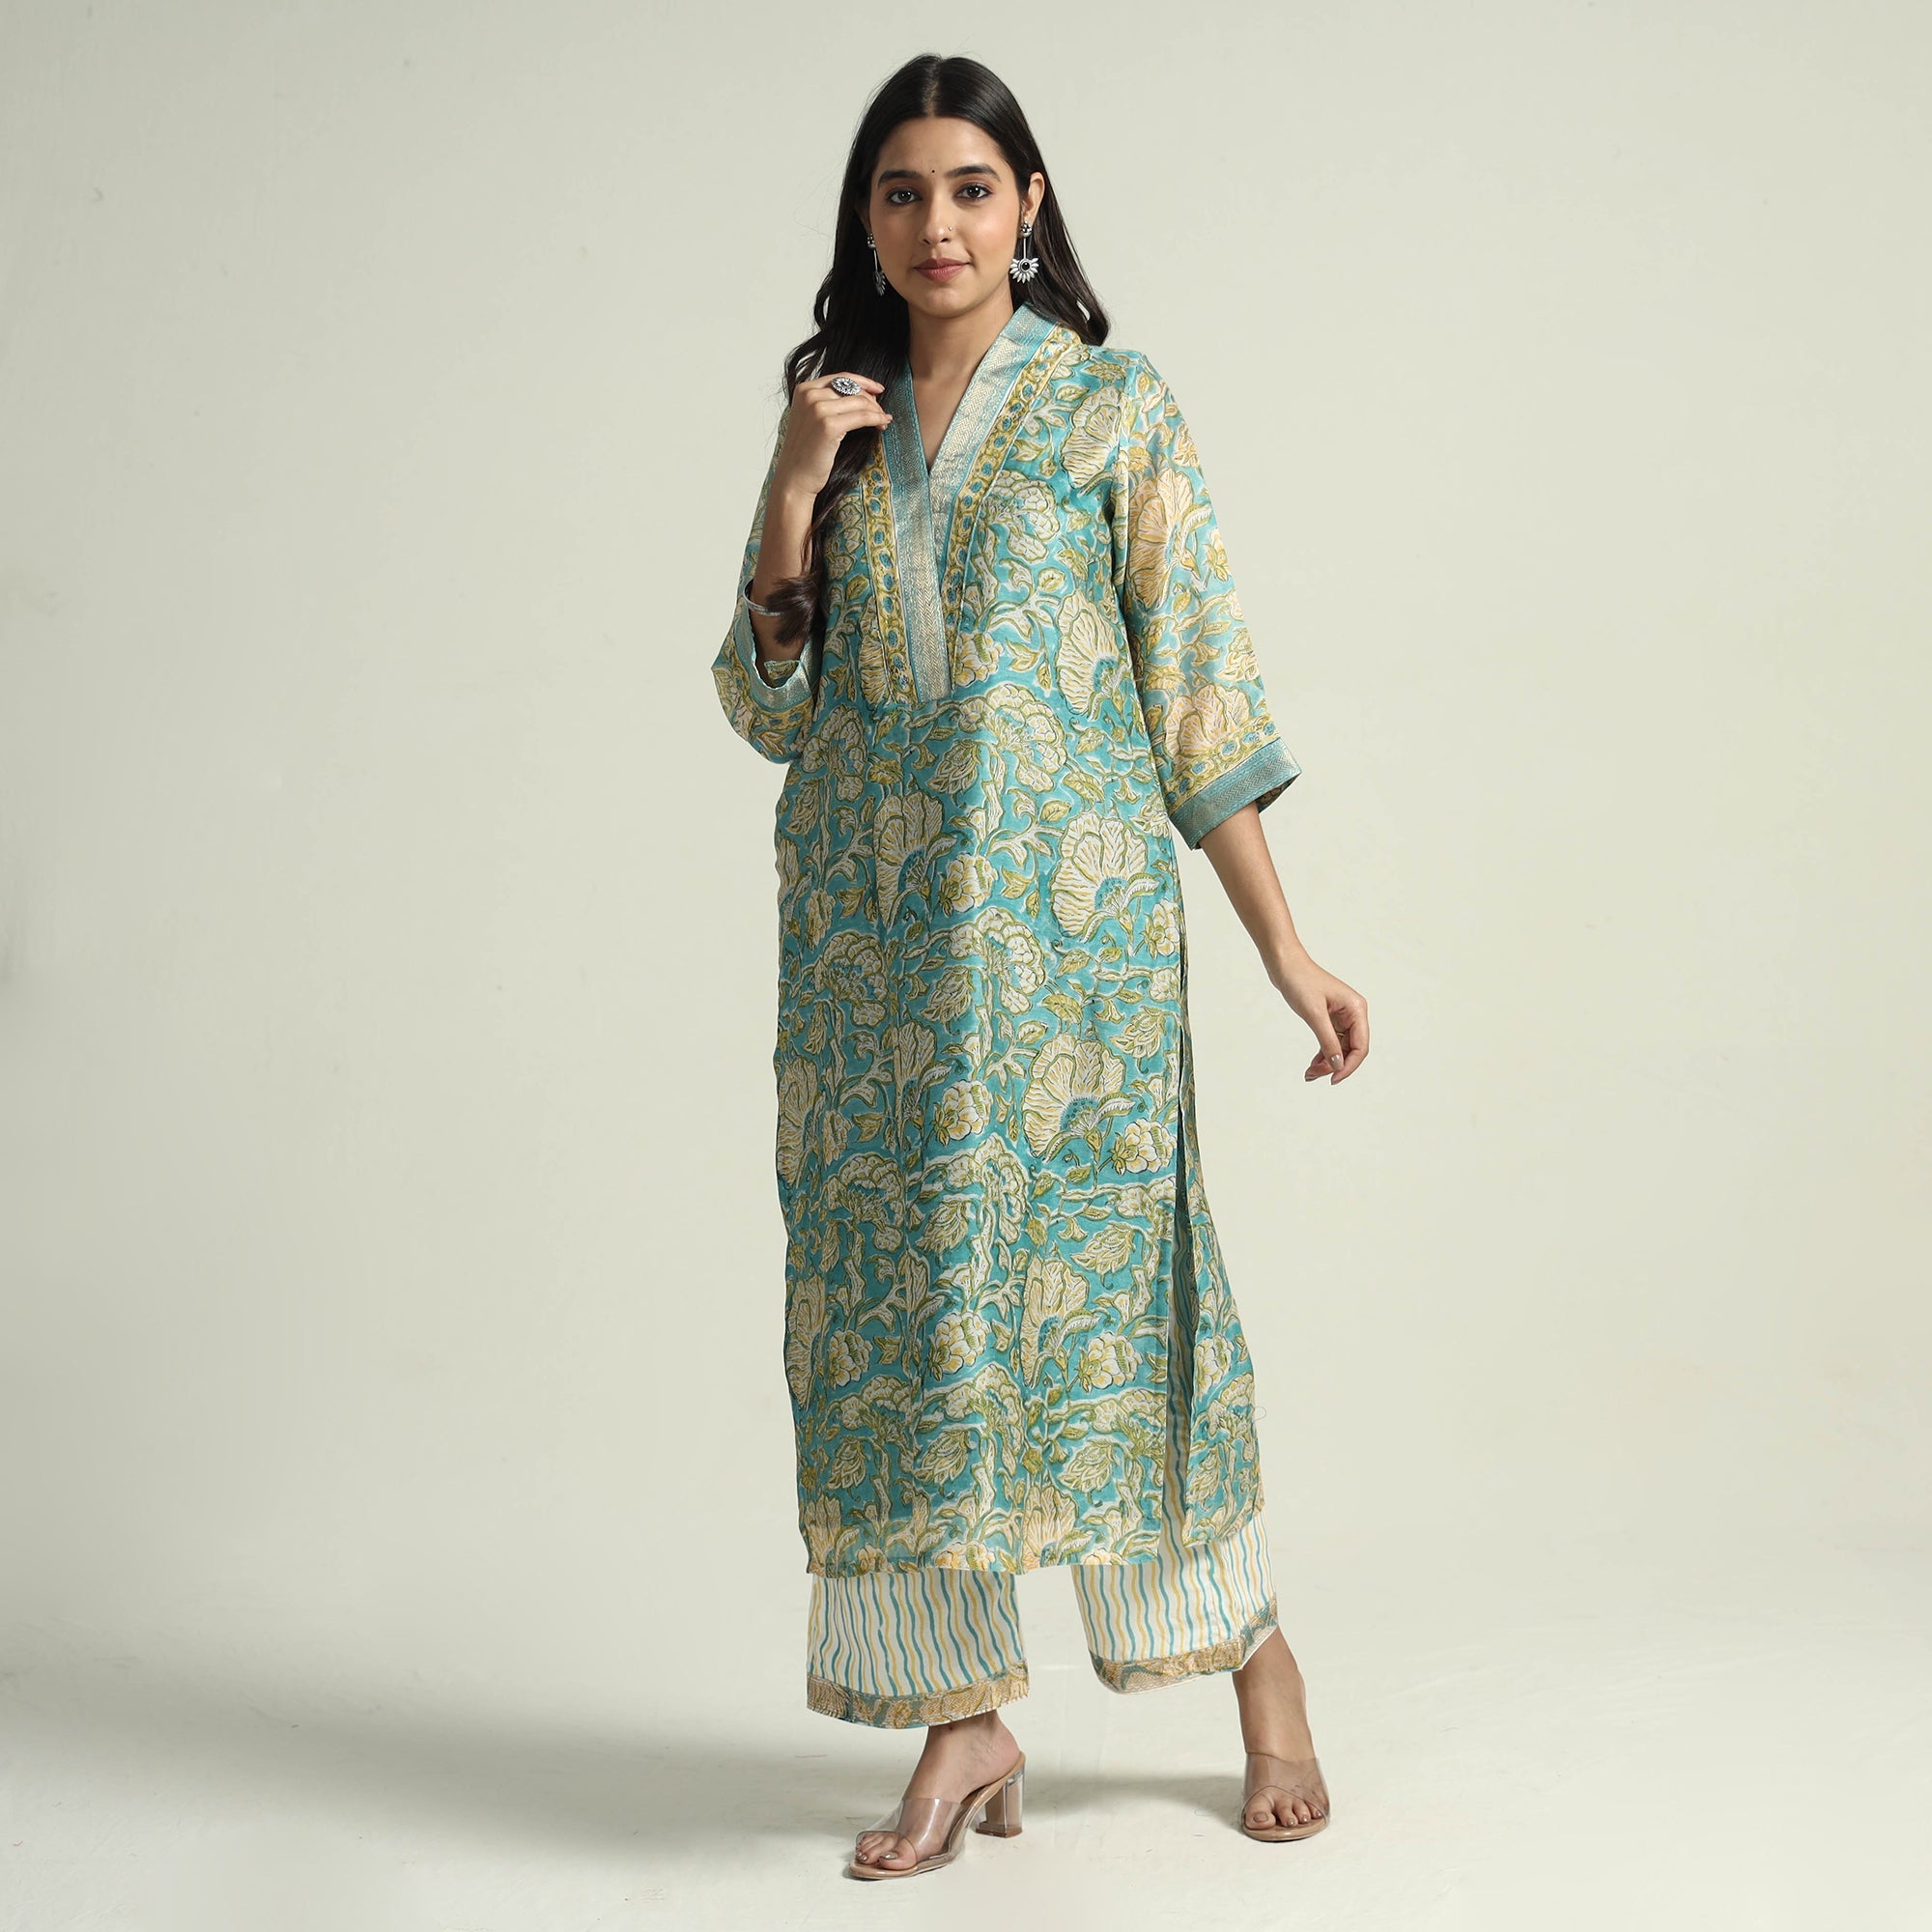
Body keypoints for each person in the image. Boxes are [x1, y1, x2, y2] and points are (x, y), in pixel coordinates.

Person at [709, 52, 1369, 1881]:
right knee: (909, 1327)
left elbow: (1196, 690)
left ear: (1030, 203)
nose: (938, 224)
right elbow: (769, 705)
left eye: (971, 188)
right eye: (902, 190)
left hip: (1071, 972)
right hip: (873, 976)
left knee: (1108, 1312)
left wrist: (1285, 947)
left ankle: (1254, 1658)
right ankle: (963, 1716)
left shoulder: (1108, 408)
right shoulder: (834, 427)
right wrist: (794, 481)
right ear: (866, 217)